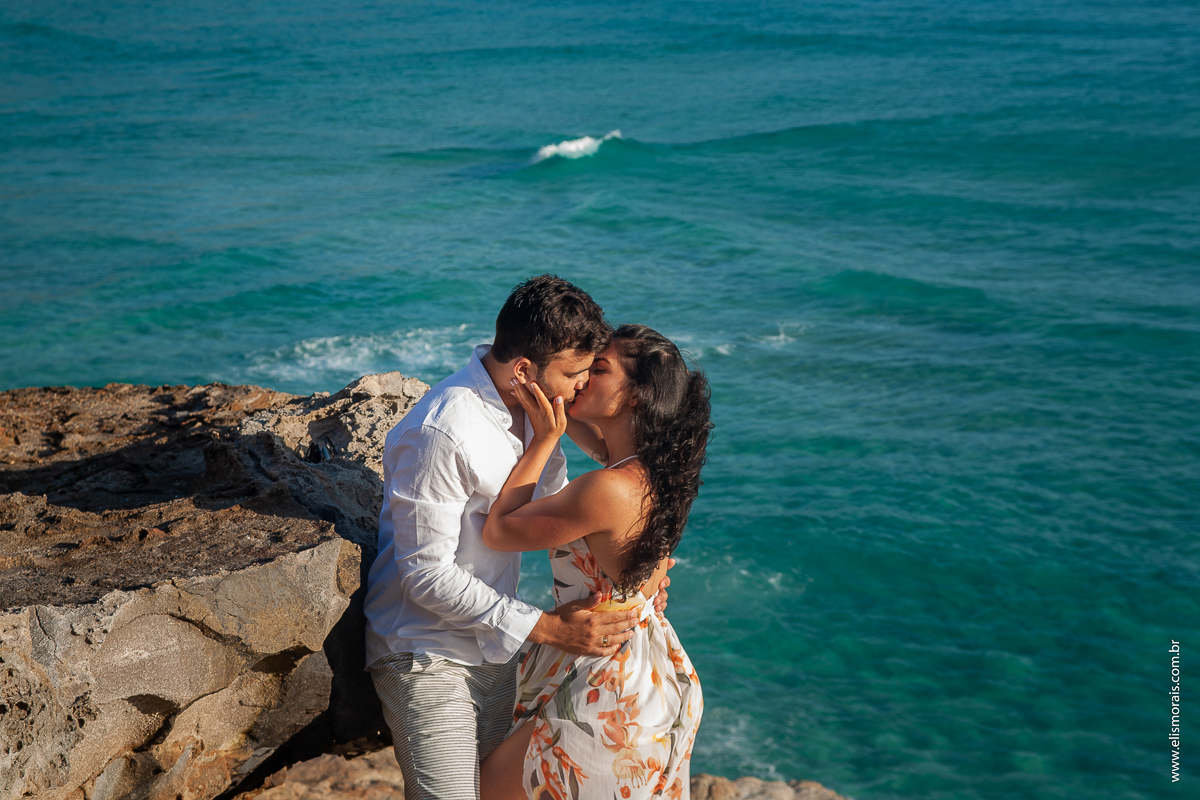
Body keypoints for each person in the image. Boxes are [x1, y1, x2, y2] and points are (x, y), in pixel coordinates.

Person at [363, 276, 672, 800]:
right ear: (525, 368)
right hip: (425, 653)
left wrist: (641, 566)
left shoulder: (541, 414)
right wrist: (550, 629)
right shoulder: (443, 431)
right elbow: (425, 575)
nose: (582, 385)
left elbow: (548, 516)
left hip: (495, 651)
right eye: (575, 373)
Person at [479, 324, 711, 800]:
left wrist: (543, 442)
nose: (581, 378)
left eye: (598, 369)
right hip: (648, 665)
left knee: (484, 790)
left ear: (636, 397)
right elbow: (575, 418)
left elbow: (498, 530)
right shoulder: (655, 469)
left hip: (611, 685)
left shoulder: (605, 490)